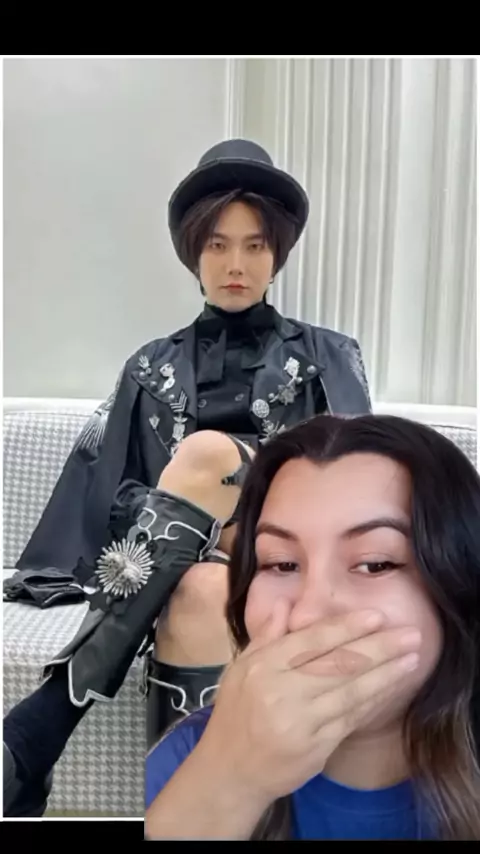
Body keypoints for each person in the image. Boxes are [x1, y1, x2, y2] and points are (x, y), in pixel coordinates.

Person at [3, 138, 371, 816]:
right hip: (202, 568)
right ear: (193, 254)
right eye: (217, 245)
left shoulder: (328, 356)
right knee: (200, 592)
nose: (235, 265)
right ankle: (198, 819)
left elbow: (354, 481)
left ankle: (43, 725)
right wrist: (213, 533)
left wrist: (238, 496)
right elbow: (116, 497)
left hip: (296, 552)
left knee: (203, 456)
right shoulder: (150, 367)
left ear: (277, 256)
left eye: (255, 246)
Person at [145, 414, 480, 841]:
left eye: (375, 564)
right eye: (282, 564)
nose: (307, 615)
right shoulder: (190, 760)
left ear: (460, 584)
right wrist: (230, 782)